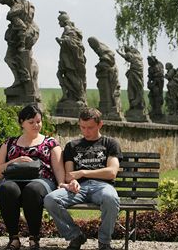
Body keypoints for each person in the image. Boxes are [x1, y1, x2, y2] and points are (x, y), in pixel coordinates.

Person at [44, 107, 122, 250]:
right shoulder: (72, 146)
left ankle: (104, 242)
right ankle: (75, 236)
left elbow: (111, 172)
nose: (86, 131)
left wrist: (83, 173)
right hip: (78, 189)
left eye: (90, 128)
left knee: (110, 198)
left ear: (100, 124)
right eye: (82, 127)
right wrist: (72, 182)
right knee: (50, 199)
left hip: (102, 187)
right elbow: (69, 174)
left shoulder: (110, 144)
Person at [0, 105, 66, 250]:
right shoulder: (10, 143)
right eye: (31, 122)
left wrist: (61, 184)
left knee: (32, 189)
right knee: (7, 188)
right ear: (22, 123)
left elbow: (58, 167)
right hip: (13, 179)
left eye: (38, 121)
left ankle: (34, 237)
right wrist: (15, 161)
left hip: (42, 181)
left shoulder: (50, 143)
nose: (36, 125)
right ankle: (13, 238)